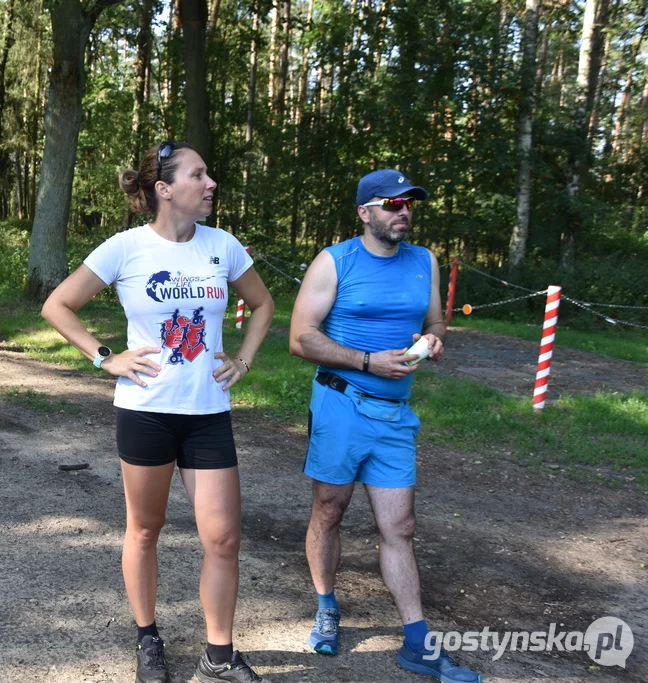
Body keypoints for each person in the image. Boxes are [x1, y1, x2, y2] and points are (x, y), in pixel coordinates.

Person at [42, 141, 275, 683]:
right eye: (199, 174)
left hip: (207, 412)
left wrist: (243, 358)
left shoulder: (223, 247)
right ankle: (148, 639)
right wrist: (105, 357)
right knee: (145, 530)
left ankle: (218, 654)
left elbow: (263, 304)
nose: (211, 182)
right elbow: (57, 304)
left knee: (223, 537)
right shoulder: (125, 248)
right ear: (165, 189)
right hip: (146, 410)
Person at [289, 169, 482, 683]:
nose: (403, 212)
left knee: (401, 527)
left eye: (409, 204)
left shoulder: (424, 261)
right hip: (341, 402)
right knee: (330, 510)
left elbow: (436, 320)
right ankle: (327, 605)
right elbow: (301, 338)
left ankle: (417, 644)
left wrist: (434, 339)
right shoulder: (335, 261)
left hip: (396, 415)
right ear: (365, 212)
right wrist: (368, 361)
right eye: (392, 204)